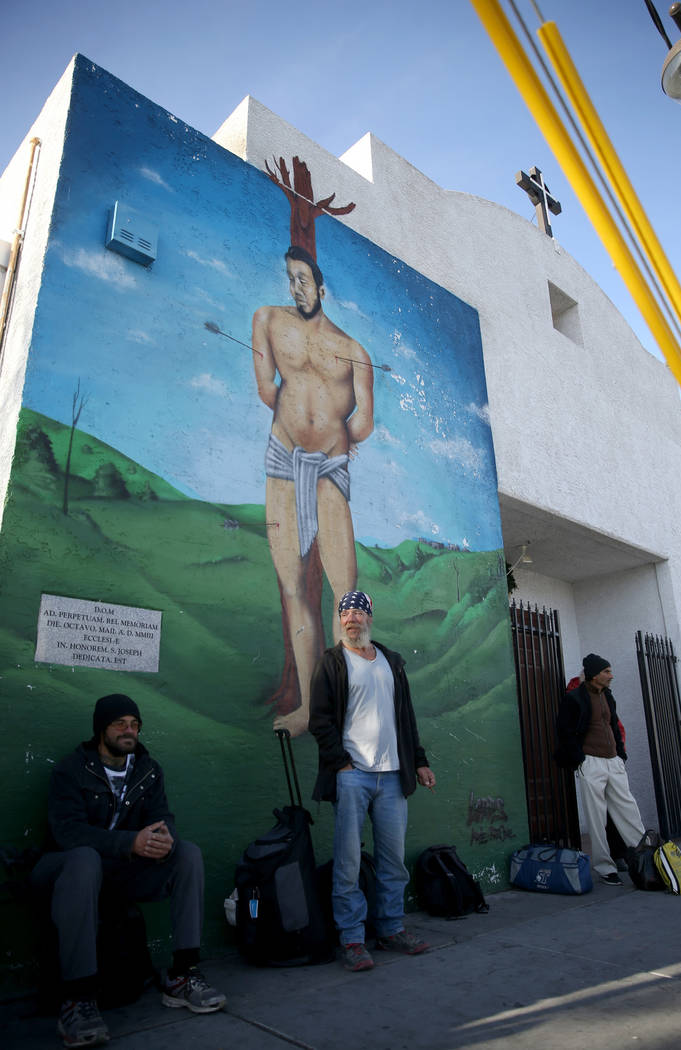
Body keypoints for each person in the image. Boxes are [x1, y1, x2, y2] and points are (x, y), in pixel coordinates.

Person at [31, 693, 225, 1048]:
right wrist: (129, 843)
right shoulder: (71, 769)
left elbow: (161, 816)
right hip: (66, 872)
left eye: (134, 724)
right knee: (85, 859)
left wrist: (164, 838)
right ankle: (78, 1000)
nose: (129, 731)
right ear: (101, 728)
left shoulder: (147, 770)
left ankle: (183, 976)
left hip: (121, 872)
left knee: (188, 855)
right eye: (120, 723)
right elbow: (68, 833)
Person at [252, 246, 374, 737]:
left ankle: (348, 705)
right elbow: (267, 388)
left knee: (346, 593)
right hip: (283, 459)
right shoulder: (267, 320)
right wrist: (302, 421)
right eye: (291, 278)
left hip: (330, 466)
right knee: (291, 585)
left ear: (322, 287)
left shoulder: (354, 351)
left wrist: (333, 434)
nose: (297, 287)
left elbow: (363, 421)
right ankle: (306, 708)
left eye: (305, 279)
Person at [309, 591, 436, 971]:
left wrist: (420, 762)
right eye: (344, 613)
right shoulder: (331, 663)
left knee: (393, 860)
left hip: (394, 777)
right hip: (353, 776)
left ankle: (391, 928)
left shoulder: (391, 662)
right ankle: (351, 937)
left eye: (356, 613)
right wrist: (341, 764)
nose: (350, 619)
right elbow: (320, 721)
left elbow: (407, 719)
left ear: (369, 618)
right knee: (348, 862)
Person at [554, 653, 645, 886]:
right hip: (590, 762)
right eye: (606, 671)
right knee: (596, 816)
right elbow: (564, 732)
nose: (610, 675)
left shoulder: (608, 696)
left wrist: (620, 754)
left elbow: (613, 725)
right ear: (594, 675)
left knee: (628, 809)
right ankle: (605, 867)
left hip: (613, 760)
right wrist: (580, 759)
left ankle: (646, 856)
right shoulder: (574, 698)